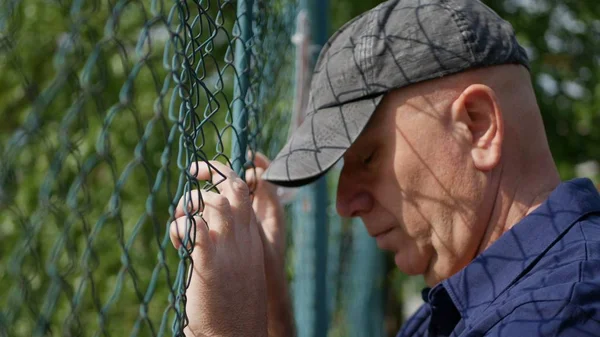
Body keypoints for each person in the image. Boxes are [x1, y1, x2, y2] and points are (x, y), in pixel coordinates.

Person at [168, 0, 600, 336]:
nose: (344, 203)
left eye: (368, 156)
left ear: (478, 126)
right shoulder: (474, 296)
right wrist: (270, 307)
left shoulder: (561, 312)